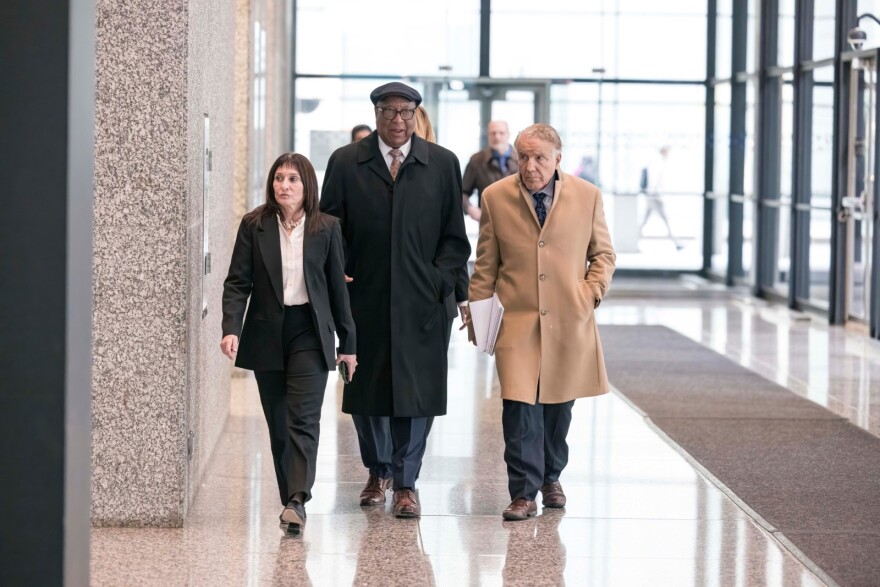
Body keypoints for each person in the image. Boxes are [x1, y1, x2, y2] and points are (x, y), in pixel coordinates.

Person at [320, 82, 471, 518]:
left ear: (416, 115)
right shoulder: (347, 162)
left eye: (407, 112)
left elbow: (454, 237)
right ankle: (377, 472)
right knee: (365, 389)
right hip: (363, 297)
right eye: (390, 111)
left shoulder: (441, 163)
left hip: (423, 303)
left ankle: (406, 483)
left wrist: (440, 284)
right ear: (377, 113)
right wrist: (339, 275)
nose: (399, 120)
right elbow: (330, 228)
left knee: (415, 393)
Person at [468, 124, 616, 520]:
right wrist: (479, 318)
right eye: (524, 157)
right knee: (519, 409)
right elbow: (486, 265)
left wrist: (590, 293)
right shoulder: (496, 197)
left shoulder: (588, 197)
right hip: (516, 322)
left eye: (539, 158)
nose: (530, 167)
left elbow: (603, 255)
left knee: (557, 409)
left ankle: (551, 476)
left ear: (557, 160)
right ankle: (523, 493)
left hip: (569, 320)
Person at [220, 152, 357, 534]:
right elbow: (237, 282)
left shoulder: (326, 227)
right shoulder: (254, 225)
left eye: (293, 179)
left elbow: (336, 290)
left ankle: (297, 499)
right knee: (279, 422)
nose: (284, 185)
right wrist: (231, 327)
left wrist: (348, 343)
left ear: (307, 184)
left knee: (303, 418)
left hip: (310, 332)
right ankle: (290, 499)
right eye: (279, 178)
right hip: (267, 330)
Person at [461, 120, 518, 221]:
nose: (497, 136)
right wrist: (470, 209)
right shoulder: (477, 160)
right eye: (493, 133)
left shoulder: (521, 159)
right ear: (488, 136)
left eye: (501, 133)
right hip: (487, 223)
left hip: (516, 221)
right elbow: (462, 192)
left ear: (508, 135)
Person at [639, 145, 683, 250]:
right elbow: (654, 181)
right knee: (665, 220)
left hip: (653, 196)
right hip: (655, 197)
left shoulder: (657, 161)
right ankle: (676, 242)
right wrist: (656, 194)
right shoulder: (658, 162)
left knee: (645, 221)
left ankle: (631, 240)